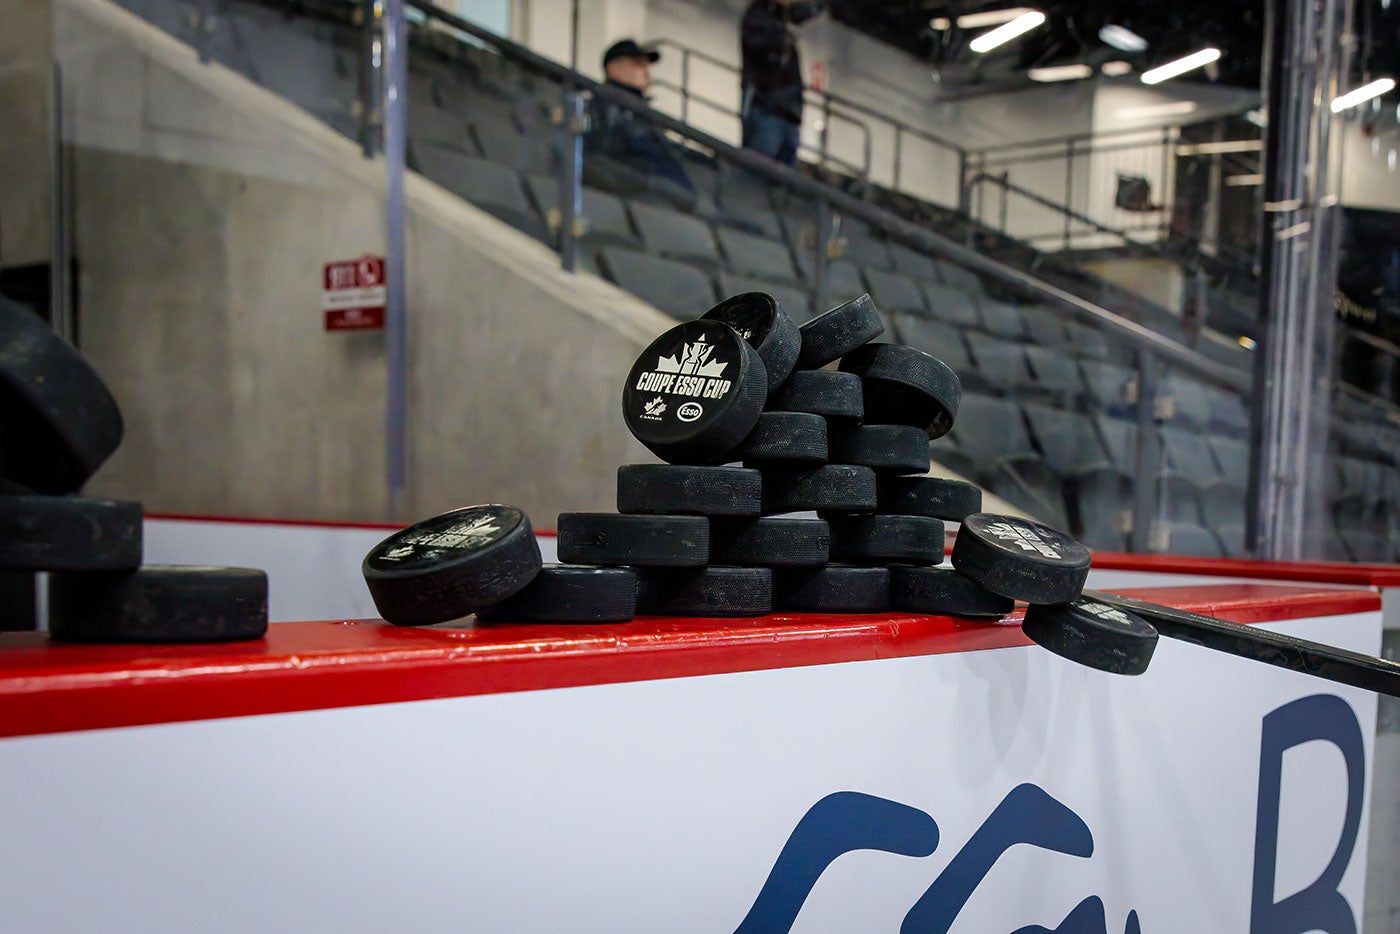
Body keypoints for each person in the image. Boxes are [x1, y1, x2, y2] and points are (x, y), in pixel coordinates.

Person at [584, 39, 695, 205]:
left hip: (663, 193)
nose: (647, 72)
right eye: (638, 65)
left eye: (647, 66)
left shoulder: (637, 110)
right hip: (643, 193)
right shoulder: (608, 104)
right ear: (614, 69)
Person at [740, 0, 824, 166]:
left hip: (789, 109)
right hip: (766, 105)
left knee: (784, 161)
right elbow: (760, 48)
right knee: (760, 163)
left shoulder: (783, 19)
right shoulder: (758, 18)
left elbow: (805, 12)